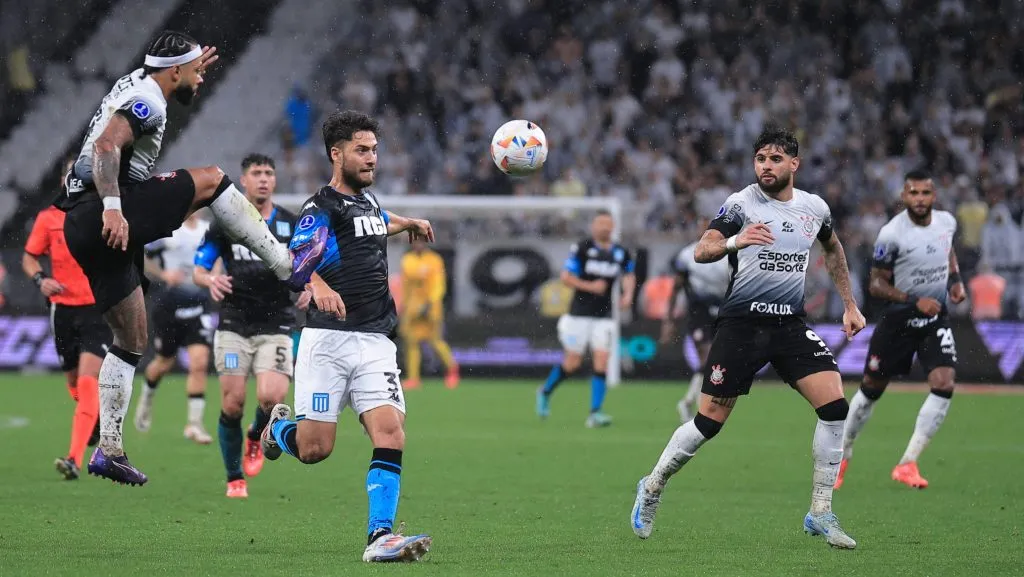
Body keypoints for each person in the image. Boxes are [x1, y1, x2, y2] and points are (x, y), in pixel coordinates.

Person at [55, 30, 294, 486]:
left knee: (131, 338)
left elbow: (163, 69)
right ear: (174, 71)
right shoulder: (149, 99)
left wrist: (188, 66)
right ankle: (285, 265)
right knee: (213, 180)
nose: (201, 80)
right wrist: (112, 208)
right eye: (195, 73)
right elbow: (106, 146)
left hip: (81, 226)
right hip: (106, 210)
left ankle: (109, 450)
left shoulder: (141, 80)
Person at [630, 123, 866, 549]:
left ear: (794, 164)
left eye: (775, 159)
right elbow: (702, 249)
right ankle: (652, 485)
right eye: (760, 159)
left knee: (835, 408)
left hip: (789, 326)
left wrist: (849, 304)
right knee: (708, 422)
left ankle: (820, 511)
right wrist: (735, 241)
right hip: (742, 325)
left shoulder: (814, 208)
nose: (766, 166)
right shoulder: (742, 203)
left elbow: (833, 248)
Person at [260, 110, 433, 562]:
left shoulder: (369, 203)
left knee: (391, 432)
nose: (372, 158)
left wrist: (408, 222)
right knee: (315, 450)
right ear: (336, 154)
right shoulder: (321, 208)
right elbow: (295, 261)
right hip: (328, 341)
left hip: (376, 339)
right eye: (362, 150)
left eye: (374, 149)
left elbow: (378, 220)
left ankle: (380, 537)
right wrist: (318, 284)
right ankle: (278, 430)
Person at [837, 170, 966, 490]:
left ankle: (908, 463)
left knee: (944, 382)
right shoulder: (891, 234)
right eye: (914, 193)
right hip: (898, 321)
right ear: (904, 197)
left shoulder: (947, 222)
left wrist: (955, 281)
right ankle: (842, 454)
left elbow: (948, 252)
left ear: (934, 196)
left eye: (925, 193)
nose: (920, 199)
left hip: (934, 319)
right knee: (871, 390)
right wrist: (914, 300)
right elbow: (876, 284)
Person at [192, 153, 302, 498]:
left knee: (272, 399)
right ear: (243, 180)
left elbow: (307, 265)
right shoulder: (226, 222)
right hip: (234, 323)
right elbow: (199, 269)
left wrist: (309, 287)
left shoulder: (290, 224)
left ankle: (256, 433)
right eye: (257, 173)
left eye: (269, 173)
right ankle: (234, 477)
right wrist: (210, 279)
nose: (264, 179)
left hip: (277, 323)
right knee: (232, 403)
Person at [24, 197, 112, 480]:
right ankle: (94, 420)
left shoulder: (105, 214)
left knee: (87, 379)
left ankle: (74, 458)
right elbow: (29, 257)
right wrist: (40, 280)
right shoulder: (48, 218)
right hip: (62, 311)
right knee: (74, 384)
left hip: (97, 310)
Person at [535, 210, 636, 428]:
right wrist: (590, 286)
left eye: (608, 223)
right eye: (600, 223)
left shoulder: (620, 252)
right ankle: (545, 391)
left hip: (604, 316)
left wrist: (628, 294)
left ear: (613, 227)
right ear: (593, 226)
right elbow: (566, 277)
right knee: (572, 363)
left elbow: (629, 274)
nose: (604, 227)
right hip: (578, 315)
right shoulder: (582, 248)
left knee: (602, 360)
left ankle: (595, 413)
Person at [133, 212, 213, 444]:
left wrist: (214, 275)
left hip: (199, 304)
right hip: (169, 306)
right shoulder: (168, 230)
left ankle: (194, 424)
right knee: (164, 363)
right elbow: (141, 255)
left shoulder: (207, 231)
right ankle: (147, 396)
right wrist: (163, 274)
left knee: (199, 363)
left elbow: (218, 257)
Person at [659, 217, 731, 423]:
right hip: (699, 312)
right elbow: (676, 288)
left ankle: (688, 402)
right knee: (707, 358)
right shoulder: (687, 255)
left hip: (723, 311)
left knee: (716, 362)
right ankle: (701, 409)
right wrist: (669, 319)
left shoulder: (729, 254)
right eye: (703, 227)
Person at [398, 238, 459, 390]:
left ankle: (452, 370)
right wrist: (404, 305)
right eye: (416, 241)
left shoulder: (434, 260)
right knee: (412, 343)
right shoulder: (408, 259)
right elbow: (406, 285)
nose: (418, 244)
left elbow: (438, 284)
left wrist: (430, 303)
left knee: (435, 341)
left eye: (421, 241)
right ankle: (413, 378)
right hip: (413, 307)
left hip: (431, 307)